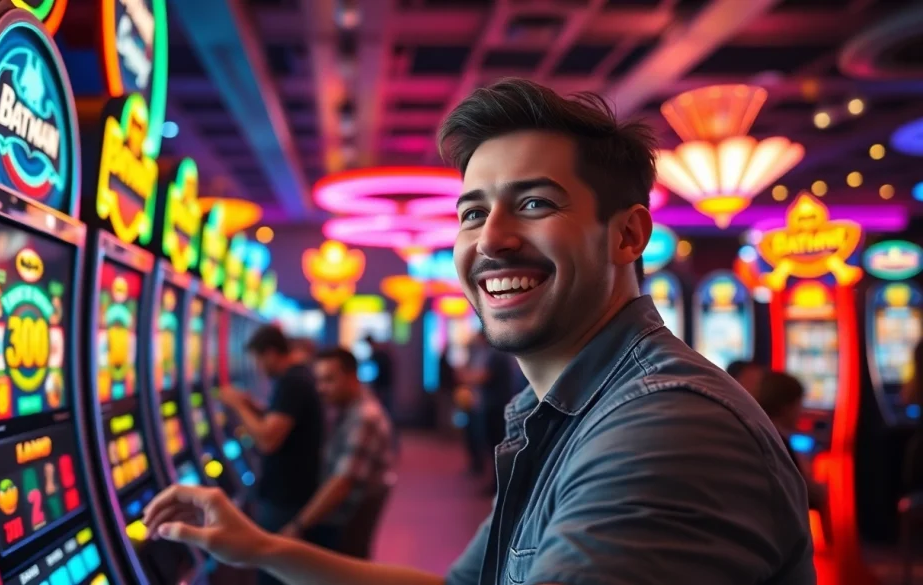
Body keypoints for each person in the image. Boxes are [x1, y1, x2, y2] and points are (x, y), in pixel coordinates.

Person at [144, 78, 814, 584]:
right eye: (472, 212)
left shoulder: (664, 429)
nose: (491, 239)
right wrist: (262, 546)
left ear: (628, 234)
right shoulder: (567, 410)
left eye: (533, 203)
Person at [219, 325, 327, 584]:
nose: (258, 368)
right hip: (291, 488)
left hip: (286, 496)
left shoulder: (293, 382)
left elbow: (268, 440)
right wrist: (252, 405)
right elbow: (282, 419)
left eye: (258, 360)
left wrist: (237, 406)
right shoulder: (295, 378)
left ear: (270, 353)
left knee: (273, 570)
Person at [283, 347, 395, 559]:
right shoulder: (349, 408)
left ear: (352, 377)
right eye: (318, 381)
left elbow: (342, 484)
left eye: (329, 380)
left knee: (275, 525)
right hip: (340, 516)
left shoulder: (364, 418)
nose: (321, 388)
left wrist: (297, 526)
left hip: (339, 524)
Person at [754, 370, 826, 511]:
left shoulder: (758, 429)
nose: (802, 411)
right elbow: (808, 496)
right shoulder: (779, 442)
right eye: (800, 404)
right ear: (787, 407)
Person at [458, 331, 516, 492]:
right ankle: (497, 482)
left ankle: (499, 484)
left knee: (496, 445)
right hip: (496, 405)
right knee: (494, 445)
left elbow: (484, 377)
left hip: (496, 406)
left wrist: (466, 376)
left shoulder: (496, 355)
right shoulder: (496, 353)